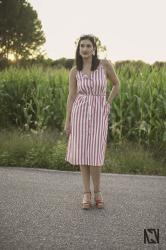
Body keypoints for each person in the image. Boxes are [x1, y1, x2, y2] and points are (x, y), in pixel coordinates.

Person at [64, 34, 120, 209]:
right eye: (82, 46)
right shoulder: (75, 70)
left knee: (95, 153)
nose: (85, 49)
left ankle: (98, 192)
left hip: (98, 112)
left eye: (88, 46)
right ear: (78, 49)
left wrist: (107, 103)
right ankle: (86, 194)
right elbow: (71, 96)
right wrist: (68, 121)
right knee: (82, 153)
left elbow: (117, 84)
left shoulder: (104, 65)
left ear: (94, 49)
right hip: (79, 113)